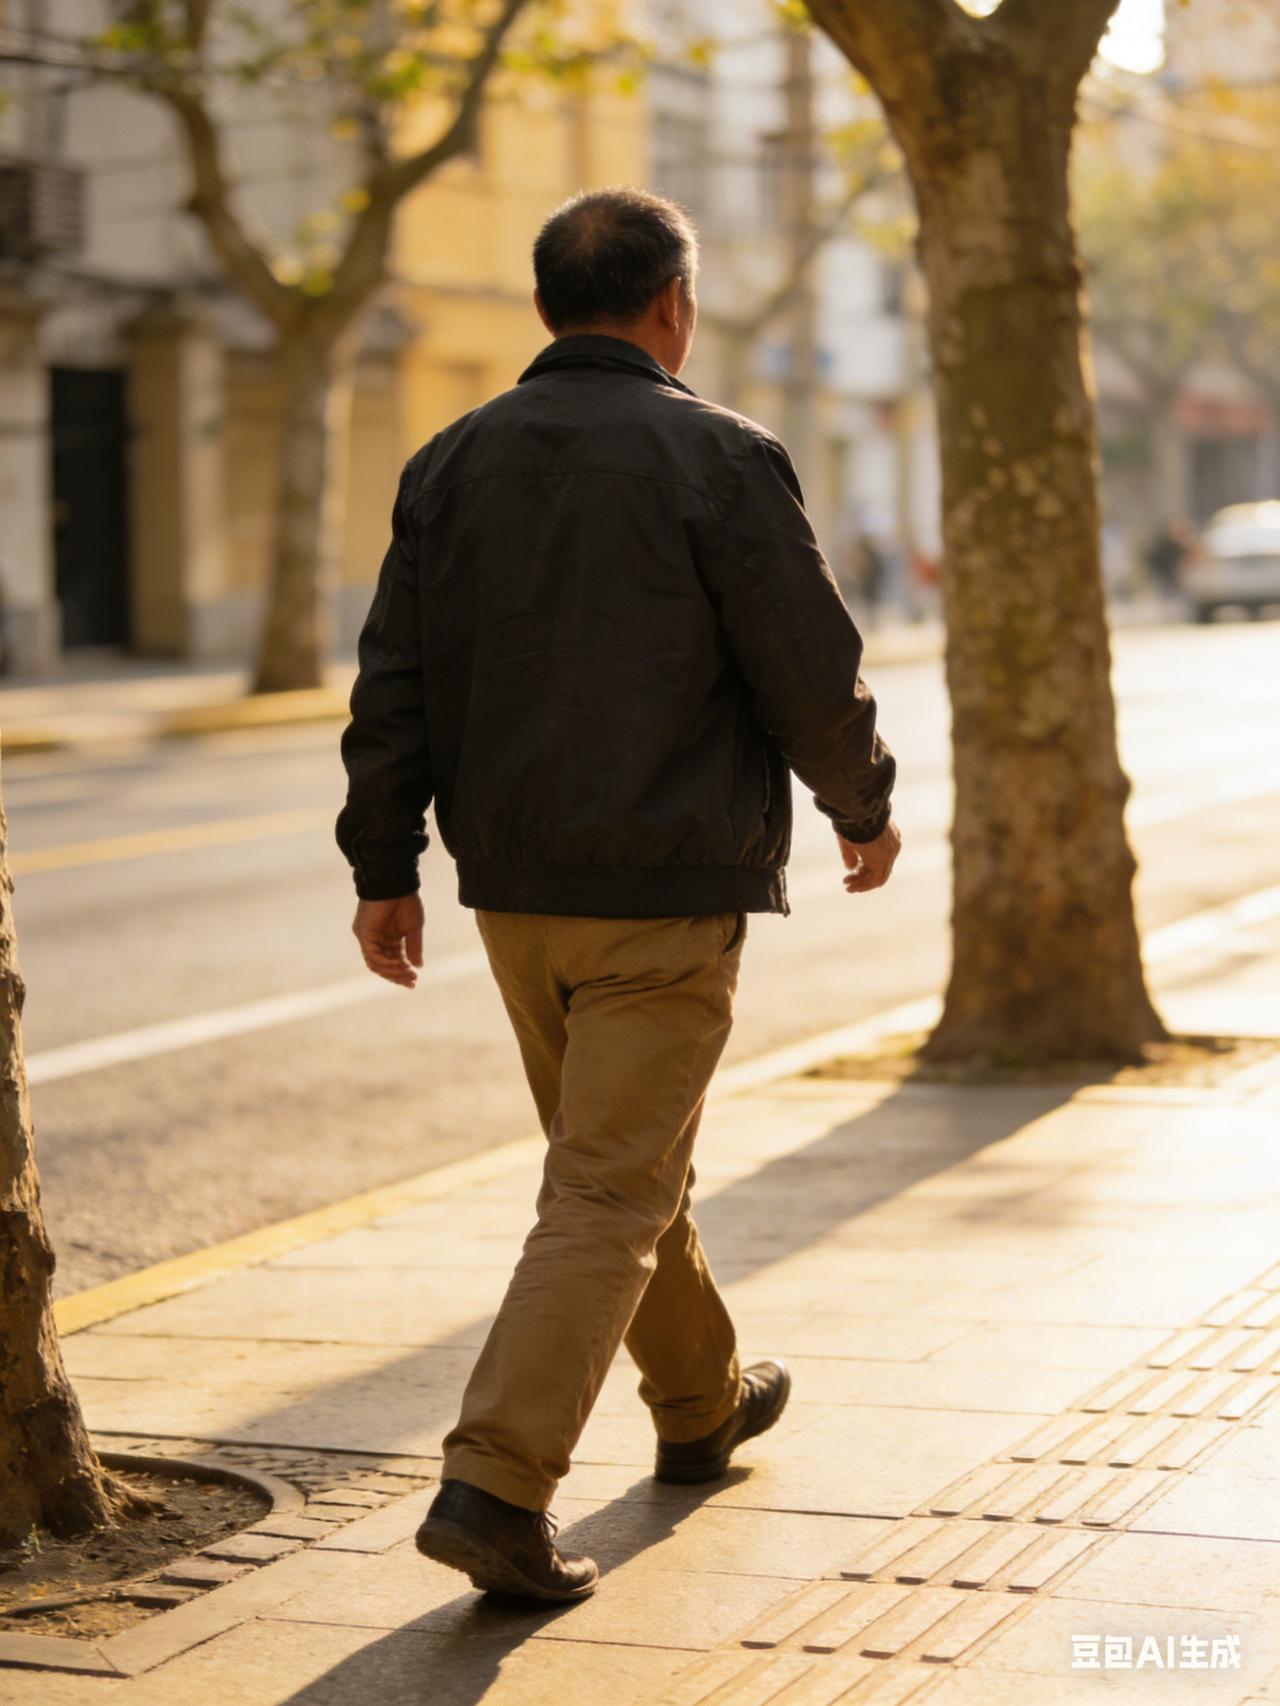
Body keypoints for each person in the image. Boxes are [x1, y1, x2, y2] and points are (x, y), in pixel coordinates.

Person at [336, 187, 900, 1605]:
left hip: (513, 894)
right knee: (607, 1186)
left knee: (623, 1165)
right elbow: (806, 659)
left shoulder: (448, 460)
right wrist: (865, 804)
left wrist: (384, 867)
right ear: (673, 305)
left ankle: (700, 1405)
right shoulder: (721, 454)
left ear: (543, 312)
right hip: (662, 890)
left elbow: (391, 678)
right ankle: (496, 1483)